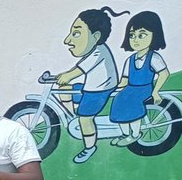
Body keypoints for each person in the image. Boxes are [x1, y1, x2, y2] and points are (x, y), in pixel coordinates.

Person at [53, 8, 124, 162]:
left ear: (96, 36)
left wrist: (68, 76)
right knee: (64, 89)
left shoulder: (98, 52)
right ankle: (73, 116)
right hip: (90, 87)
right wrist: (63, 76)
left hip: (99, 91)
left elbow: (80, 69)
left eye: (76, 34)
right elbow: (79, 68)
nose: (67, 40)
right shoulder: (95, 50)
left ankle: (89, 147)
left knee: (85, 119)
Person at [111, 11, 169, 146]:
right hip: (131, 88)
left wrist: (156, 92)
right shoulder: (130, 60)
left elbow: (164, 73)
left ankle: (135, 134)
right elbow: (124, 81)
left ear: (155, 35)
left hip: (145, 88)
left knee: (131, 102)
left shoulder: (154, 58)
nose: (135, 40)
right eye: (132, 35)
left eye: (142, 35)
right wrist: (112, 89)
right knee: (119, 99)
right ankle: (125, 134)